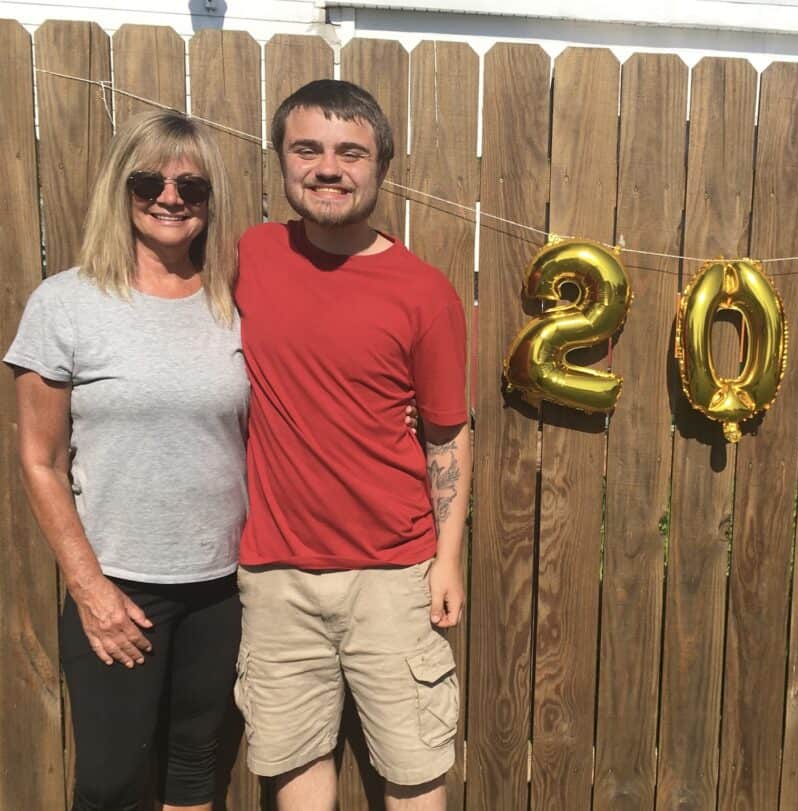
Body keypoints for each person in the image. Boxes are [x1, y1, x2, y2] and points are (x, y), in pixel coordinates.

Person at [233, 79, 471, 810]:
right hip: (275, 574)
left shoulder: (423, 290)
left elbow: (447, 433)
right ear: (281, 161)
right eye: (307, 149)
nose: (328, 167)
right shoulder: (249, 254)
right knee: (293, 764)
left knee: (413, 766)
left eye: (350, 152)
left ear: (380, 167)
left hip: (394, 574)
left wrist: (448, 557)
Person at [5, 111, 246, 811]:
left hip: (222, 584)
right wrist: (91, 589)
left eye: (191, 186)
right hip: (119, 586)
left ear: (210, 201)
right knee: (109, 782)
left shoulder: (236, 304)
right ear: (123, 187)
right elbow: (40, 458)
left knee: (196, 765)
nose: (170, 197)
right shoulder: (67, 304)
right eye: (150, 180)